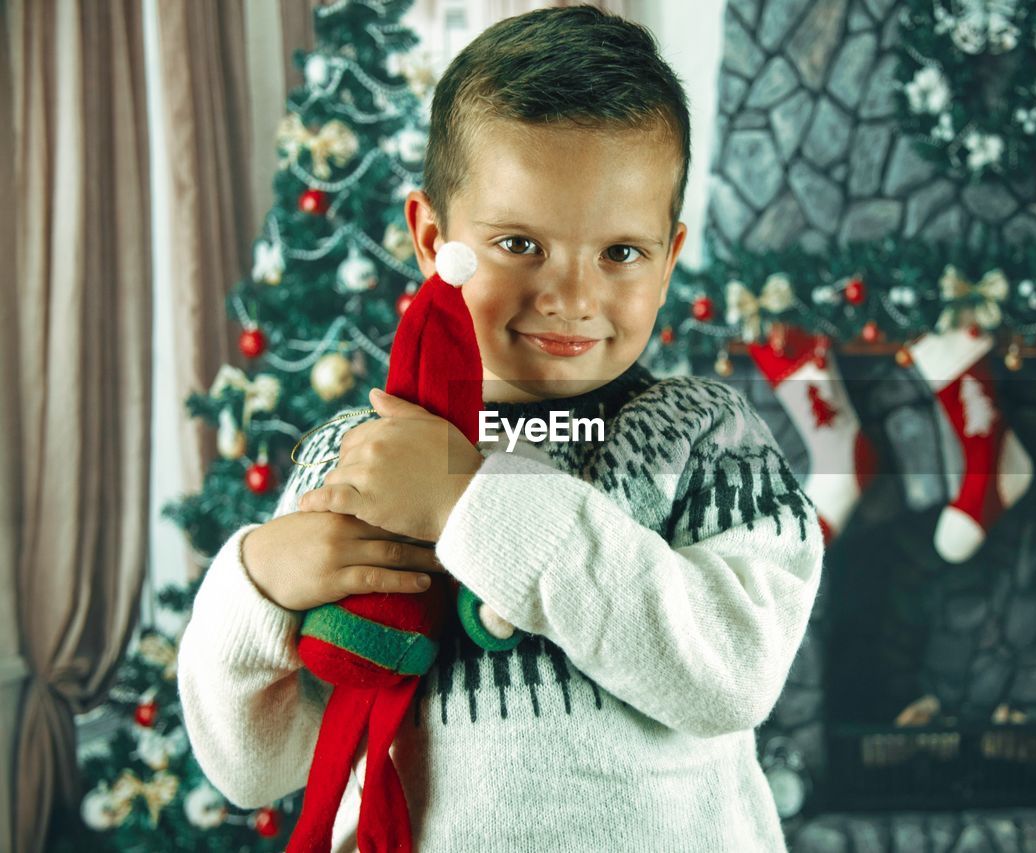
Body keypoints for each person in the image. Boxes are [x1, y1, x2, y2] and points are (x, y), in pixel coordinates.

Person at [177, 6, 823, 851]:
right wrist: (257, 584)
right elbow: (252, 766)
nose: (569, 295)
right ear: (432, 238)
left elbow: (733, 673)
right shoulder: (361, 458)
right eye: (520, 242)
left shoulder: (709, 438)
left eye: (621, 252)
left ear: (670, 257)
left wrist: (473, 498)